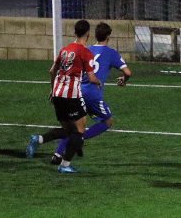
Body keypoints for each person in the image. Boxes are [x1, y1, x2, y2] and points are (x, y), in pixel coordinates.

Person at [50, 22, 132, 165]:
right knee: (107, 121)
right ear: (108, 36)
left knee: (72, 126)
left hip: (77, 92)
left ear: (94, 35)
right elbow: (127, 72)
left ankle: (57, 154)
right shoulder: (112, 53)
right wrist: (123, 80)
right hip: (93, 95)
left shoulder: (86, 49)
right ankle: (79, 140)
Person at [25, 19, 101, 173]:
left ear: (75, 32)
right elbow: (92, 77)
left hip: (58, 94)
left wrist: (53, 90)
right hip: (71, 96)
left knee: (67, 130)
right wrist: (99, 82)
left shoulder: (65, 50)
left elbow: (52, 71)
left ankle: (38, 139)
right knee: (79, 131)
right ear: (88, 33)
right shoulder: (85, 52)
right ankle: (64, 165)